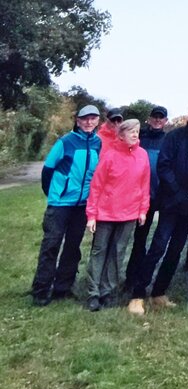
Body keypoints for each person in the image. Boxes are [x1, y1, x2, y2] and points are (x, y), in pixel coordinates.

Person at [129, 101, 188, 309]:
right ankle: (138, 294)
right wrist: (176, 191)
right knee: (158, 246)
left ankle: (159, 292)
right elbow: (164, 165)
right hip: (172, 202)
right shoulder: (175, 137)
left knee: (175, 250)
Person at [31, 104, 102, 306]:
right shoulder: (65, 142)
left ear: (97, 121)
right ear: (78, 120)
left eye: (93, 118)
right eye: (85, 118)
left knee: (73, 247)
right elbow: (48, 171)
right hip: (61, 203)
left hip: (82, 205)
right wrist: (54, 193)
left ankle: (63, 288)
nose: (89, 122)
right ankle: (41, 289)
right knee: (51, 245)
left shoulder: (98, 143)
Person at [85, 119, 150, 311]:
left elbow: (144, 185)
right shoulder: (110, 155)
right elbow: (96, 186)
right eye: (131, 131)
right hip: (106, 213)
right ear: (120, 135)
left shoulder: (142, 155)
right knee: (99, 252)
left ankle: (107, 291)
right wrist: (92, 215)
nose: (135, 134)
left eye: (137, 131)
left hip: (129, 214)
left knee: (117, 253)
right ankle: (93, 293)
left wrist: (143, 210)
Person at [123, 105, 167, 294]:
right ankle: (132, 277)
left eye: (161, 118)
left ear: (165, 121)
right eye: (155, 117)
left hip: (163, 195)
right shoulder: (141, 139)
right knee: (140, 239)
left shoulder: (168, 140)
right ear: (149, 119)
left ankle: (150, 277)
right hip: (144, 196)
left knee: (160, 240)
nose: (157, 120)